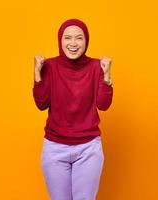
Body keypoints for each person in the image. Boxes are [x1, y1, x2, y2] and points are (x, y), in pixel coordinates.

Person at [33, 18, 113, 200]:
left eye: (79, 38)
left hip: (88, 148)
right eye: (67, 38)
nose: (73, 43)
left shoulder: (96, 67)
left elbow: (103, 104)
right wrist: (37, 74)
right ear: (60, 40)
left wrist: (107, 76)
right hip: (55, 148)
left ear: (87, 40)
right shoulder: (50, 66)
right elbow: (41, 103)